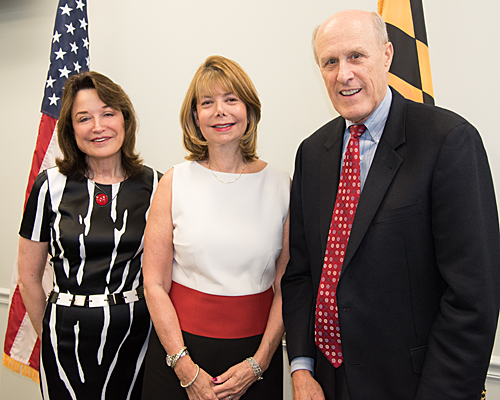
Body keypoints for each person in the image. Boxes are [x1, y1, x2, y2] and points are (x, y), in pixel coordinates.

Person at [281, 9, 500, 400]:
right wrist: (301, 367)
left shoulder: (448, 141)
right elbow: (301, 274)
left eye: (356, 56)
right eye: (330, 62)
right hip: (325, 383)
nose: (343, 74)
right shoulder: (312, 153)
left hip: (413, 385)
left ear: (387, 55)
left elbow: (472, 297)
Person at [140, 55, 290, 400]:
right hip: (180, 353)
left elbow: (286, 286)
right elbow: (154, 284)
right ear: (195, 116)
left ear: (249, 110)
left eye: (231, 99)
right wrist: (185, 370)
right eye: (207, 103)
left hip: (255, 360)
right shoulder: (175, 182)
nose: (220, 111)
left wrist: (260, 363)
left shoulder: (281, 184)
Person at [17, 71, 162, 399]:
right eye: (84, 118)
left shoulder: (157, 185)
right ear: (71, 128)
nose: (98, 127)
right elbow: (28, 277)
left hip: (136, 337)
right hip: (64, 337)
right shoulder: (49, 186)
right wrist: (50, 333)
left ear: (125, 119)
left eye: (108, 113)